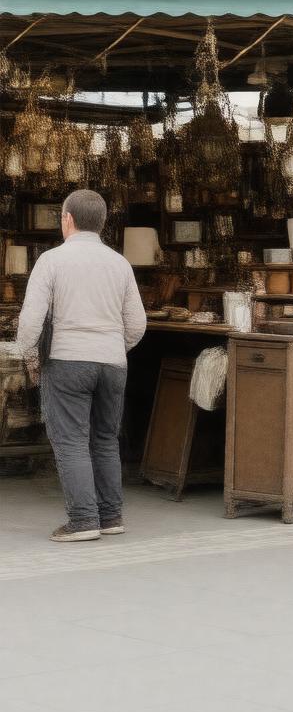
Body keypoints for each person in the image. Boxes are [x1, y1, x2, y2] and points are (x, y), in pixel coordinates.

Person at [16, 190, 147, 541]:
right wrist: (113, 348)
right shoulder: (119, 263)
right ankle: (111, 517)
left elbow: (30, 321)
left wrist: (26, 353)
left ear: (67, 219)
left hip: (68, 360)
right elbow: (136, 323)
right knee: (104, 439)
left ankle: (84, 521)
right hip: (113, 362)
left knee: (71, 440)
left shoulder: (52, 261)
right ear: (102, 223)